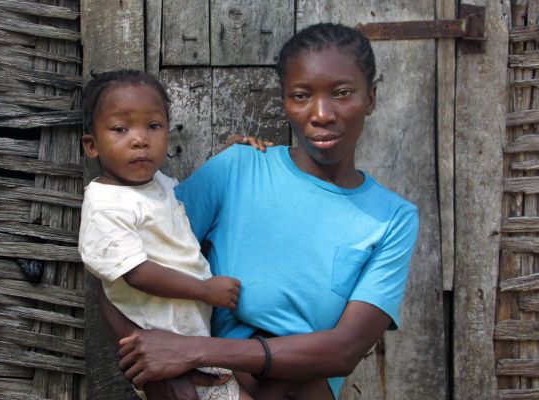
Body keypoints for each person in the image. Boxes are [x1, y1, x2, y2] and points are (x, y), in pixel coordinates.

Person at [105, 22, 419, 400]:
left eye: (342, 93)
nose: (321, 113)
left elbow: (344, 350)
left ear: (371, 97)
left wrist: (192, 350)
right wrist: (155, 376)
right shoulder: (239, 170)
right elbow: (115, 263)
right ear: (284, 101)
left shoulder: (392, 218)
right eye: (301, 95)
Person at [78, 69, 260, 400]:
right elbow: (135, 273)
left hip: (192, 342)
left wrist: (230, 158)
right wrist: (205, 290)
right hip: (165, 353)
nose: (139, 139)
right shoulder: (106, 205)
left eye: (154, 126)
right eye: (120, 129)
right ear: (91, 145)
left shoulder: (157, 184)